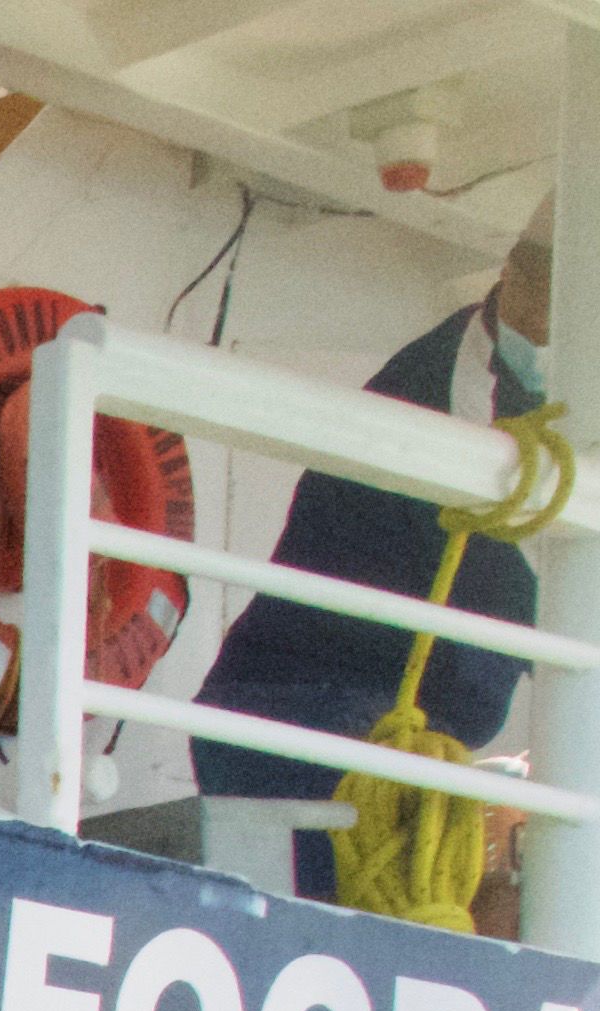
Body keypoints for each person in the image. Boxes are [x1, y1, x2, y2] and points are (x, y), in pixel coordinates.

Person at [187, 208, 552, 905]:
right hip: (298, 724)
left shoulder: (529, 389)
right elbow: (542, 592)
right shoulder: (458, 385)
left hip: (390, 734)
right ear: (517, 276)